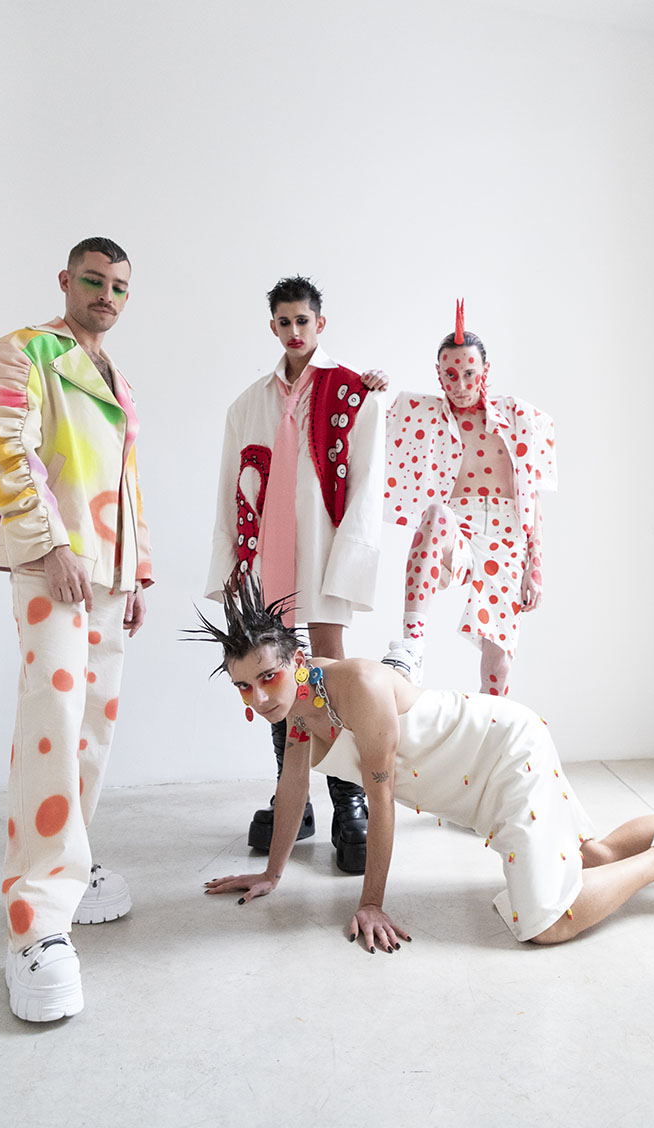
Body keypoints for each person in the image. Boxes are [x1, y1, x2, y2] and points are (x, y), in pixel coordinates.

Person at [193, 578, 654, 953]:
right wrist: (272, 874)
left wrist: (371, 904)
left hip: (503, 750)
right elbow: (291, 787)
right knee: (595, 857)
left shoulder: (357, 684)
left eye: (268, 677)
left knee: (547, 922)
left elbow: (381, 801)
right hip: (478, 777)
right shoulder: (296, 709)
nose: (259, 697)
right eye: (244, 686)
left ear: (296, 660)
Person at [0, 237, 152, 1022]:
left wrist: (138, 571)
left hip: (109, 574)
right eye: (94, 280)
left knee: (90, 730)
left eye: (119, 286)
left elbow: (126, 480)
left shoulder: (117, 376)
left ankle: (67, 869)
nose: (107, 294)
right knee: (51, 720)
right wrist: (50, 544)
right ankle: (35, 921)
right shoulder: (24, 351)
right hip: (53, 564)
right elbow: (3, 448)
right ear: (66, 281)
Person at [205, 276, 386, 872]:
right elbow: (231, 490)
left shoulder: (352, 391)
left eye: (303, 320)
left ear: (320, 323)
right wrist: (233, 566)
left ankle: (348, 798)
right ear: (273, 326)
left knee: (330, 668)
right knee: (272, 670)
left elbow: (366, 485)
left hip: (322, 547)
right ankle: (295, 798)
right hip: (267, 556)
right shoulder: (247, 404)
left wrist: (350, 562)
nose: (294, 331)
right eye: (283, 322)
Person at [382, 300, 556, 695]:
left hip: (507, 533)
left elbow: (532, 496)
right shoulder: (422, 414)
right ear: (439, 375)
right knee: (436, 514)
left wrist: (535, 568)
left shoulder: (516, 417)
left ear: (484, 372)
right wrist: (371, 383)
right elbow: (373, 413)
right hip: (458, 525)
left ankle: (492, 722)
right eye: (450, 375)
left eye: (469, 374)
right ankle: (411, 647)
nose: (460, 386)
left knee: (500, 659)